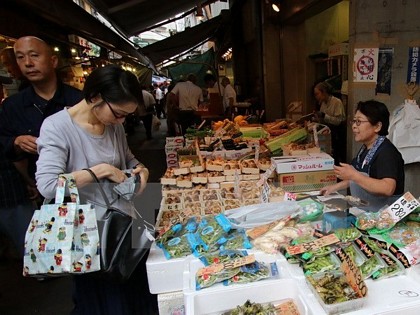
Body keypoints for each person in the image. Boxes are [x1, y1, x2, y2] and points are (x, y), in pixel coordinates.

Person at [36, 64, 153, 314]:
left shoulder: (115, 127)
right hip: (89, 237)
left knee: (137, 295)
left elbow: (129, 159)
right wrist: (100, 171)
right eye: (118, 113)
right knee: (106, 304)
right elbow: (47, 186)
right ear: (95, 97)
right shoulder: (56, 127)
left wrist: (141, 169)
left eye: (126, 116)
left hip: (124, 227)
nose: (122, 121)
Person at [0, 36, 83, 205]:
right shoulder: (12, 106)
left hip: (82, 188)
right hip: (39, 193)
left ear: (53, 61)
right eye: (20, 57)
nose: (28, 63)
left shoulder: (79, 101)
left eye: (34, 55)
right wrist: (16, 142)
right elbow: (4, 143)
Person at [320, 100, 405, 212]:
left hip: (385, 215)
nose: (354, 126)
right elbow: (358, 177)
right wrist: (333, 188)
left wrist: (353, 175)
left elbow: (387, 188)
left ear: (377, 126)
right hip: (366, 210)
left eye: (359, 122)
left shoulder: (387, 153)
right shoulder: (366, 148)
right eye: (354, 121)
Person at [313, 82, 346, 164]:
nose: (316, 97)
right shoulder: (323, 103)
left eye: (317, 94)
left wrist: (324, 115)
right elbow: (322, 120)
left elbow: (338, 121)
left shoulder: (337, 102)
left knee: (336, 156)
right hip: (327, 132)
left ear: (324, 92)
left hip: (337, 133)